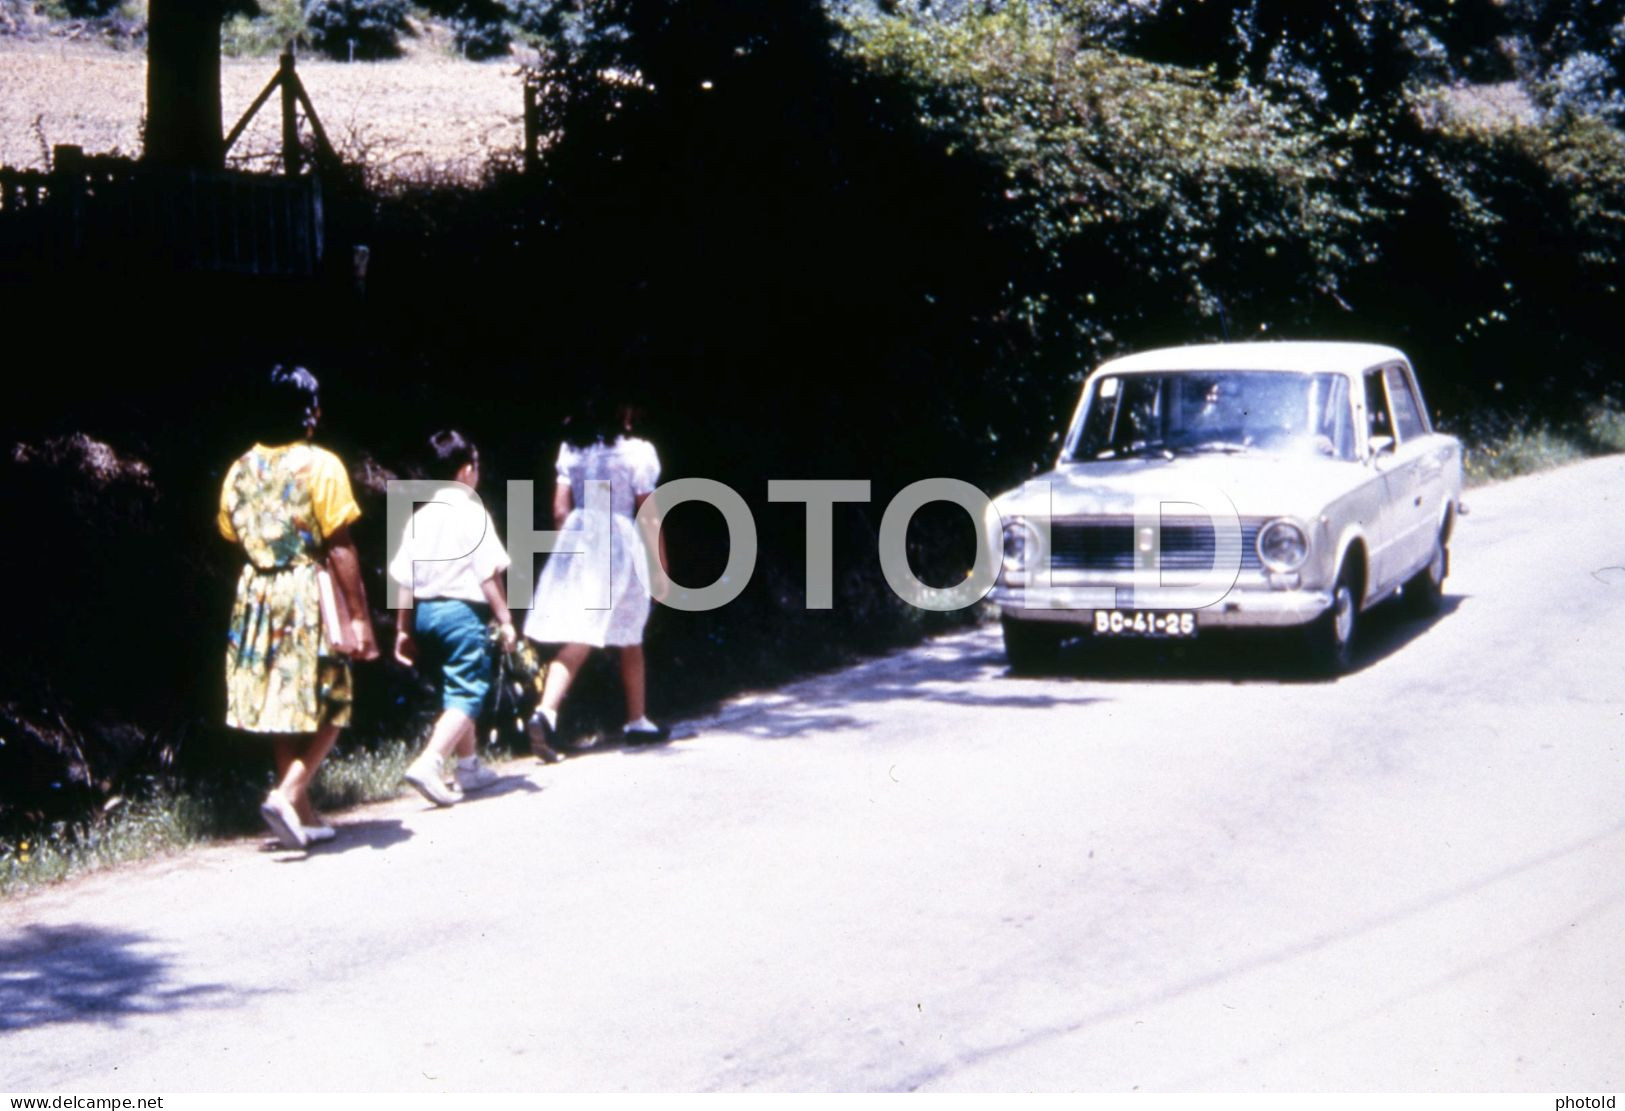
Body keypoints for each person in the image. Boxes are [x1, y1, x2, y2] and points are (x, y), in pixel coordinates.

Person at [220, 365, 379, 851]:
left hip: (258, 594)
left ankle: (303, 814)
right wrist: (358, 617)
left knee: (280, 703)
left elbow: (230, 531)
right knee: (335, 698)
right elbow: (340, 546)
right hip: (310, 590)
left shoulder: (239, 468)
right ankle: (288, 791)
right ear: (309, 413)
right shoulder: (322, 465)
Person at [523, 397, 667, 755]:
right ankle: (631, 720)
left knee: (582, 629)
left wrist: (567, 556)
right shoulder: (636, 453)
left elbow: (559, 510)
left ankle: (552, 712)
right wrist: (660, 566)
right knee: (628, 630)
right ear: (623, 412)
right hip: (619, 541)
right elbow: (648, 511)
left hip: (581, 536)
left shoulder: (572, 450)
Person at [389, 430, 516, 806]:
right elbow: (488, 573)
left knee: (453, 688)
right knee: (469, 691)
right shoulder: (473, 512)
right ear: (466, 471)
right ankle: (431, 762)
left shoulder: (420, 518)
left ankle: (470, 766)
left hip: (426, 614)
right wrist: (506, 619)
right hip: (463, 616)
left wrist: (402, 630)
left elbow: (404, 580)